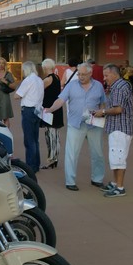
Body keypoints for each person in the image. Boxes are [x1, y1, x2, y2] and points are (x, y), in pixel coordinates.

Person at [44, 62, 106, 191]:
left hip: (94, 125)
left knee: (98, 153)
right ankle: (70, 181)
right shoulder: (71, 85)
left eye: (83, 74)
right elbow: (60, 100)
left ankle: (97, 179)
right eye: (79, 74)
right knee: (71, 154)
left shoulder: (98, 86)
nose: (80, 77)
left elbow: (103, 102)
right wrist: (50, 109)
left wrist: (102, 113)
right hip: (75, 124)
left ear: (90, 73)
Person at [91, 63, 133, 197]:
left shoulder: (119, 88)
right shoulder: (119, 86)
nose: (104, 78)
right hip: (118, 128)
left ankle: (119, 188)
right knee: (115, 158)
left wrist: (103, 112)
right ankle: (115, 183)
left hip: (120, 128)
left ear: (114, 74)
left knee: (119, 159)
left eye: (106, 75)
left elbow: (118, 109)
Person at [14, 61, 44, 174]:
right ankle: (36, 164)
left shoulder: (28, 80)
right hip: (37, 110)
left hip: (28, 110)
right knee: (35, 139)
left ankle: (30, 166)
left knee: (29, 140)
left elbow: (17, 95)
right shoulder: (39, 80)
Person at [40, 58, 64, 169]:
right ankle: (54, 158)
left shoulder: (47, 79)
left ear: (45, 67)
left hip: (49, 110)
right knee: (55, 135)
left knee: (50, 135)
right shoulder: (56, 77)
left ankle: (51, 159)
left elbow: (38, 90)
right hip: (56, 108)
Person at [0, 57, 16, 126]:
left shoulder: (8, 74)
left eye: (2, 63)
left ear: (5, 65)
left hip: (4, 96)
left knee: (5, 117)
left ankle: (7, 131)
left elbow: (14, 86)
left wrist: (6, 82)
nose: (1, 65)